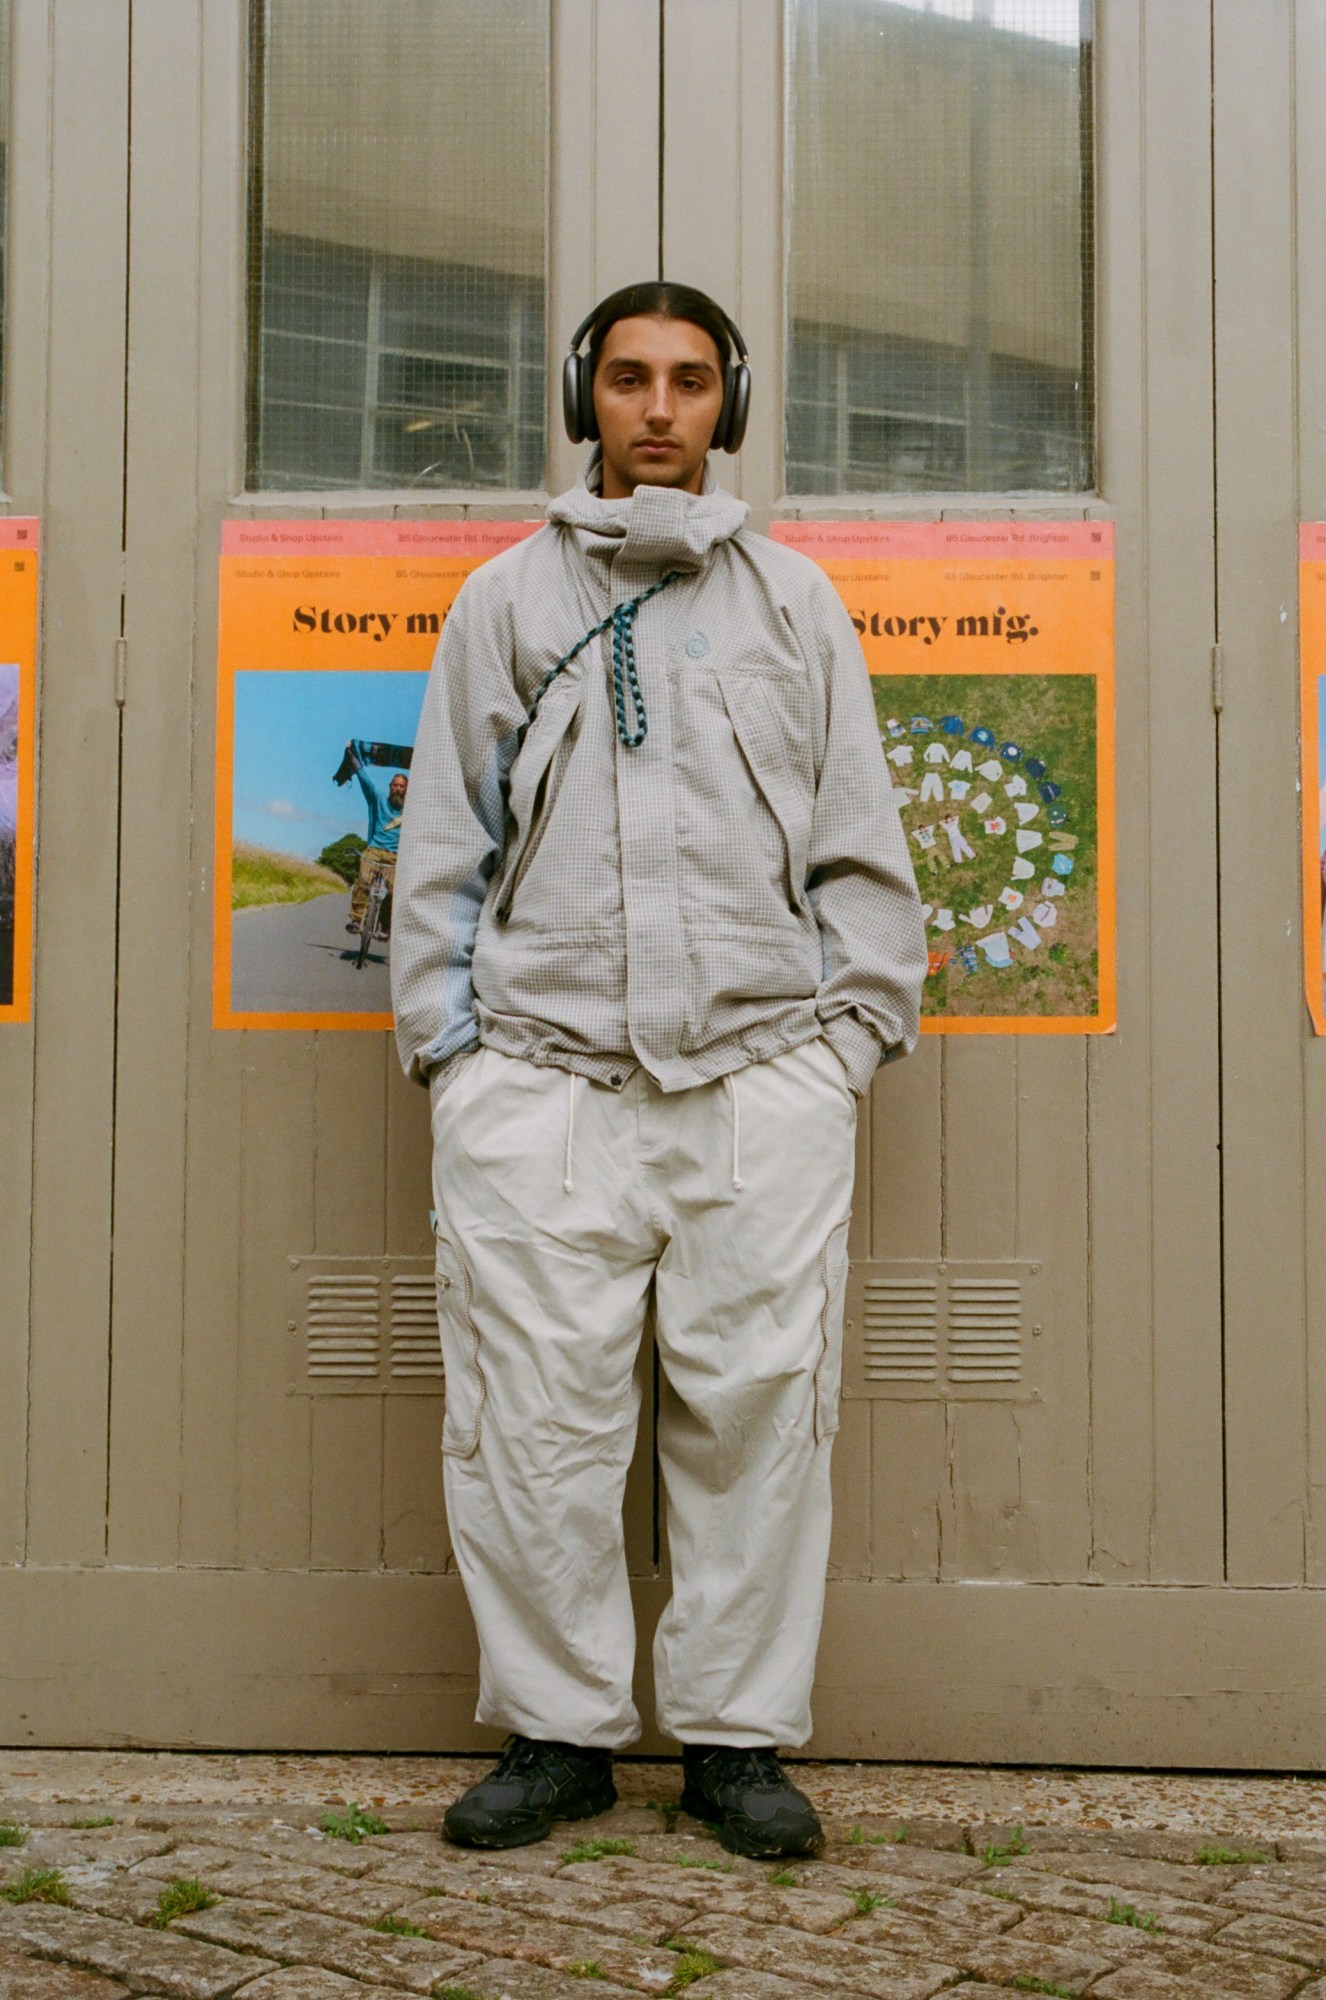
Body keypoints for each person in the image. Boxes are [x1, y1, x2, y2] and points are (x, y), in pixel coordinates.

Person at [392, 281, 926, 1858]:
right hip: (540, 1088)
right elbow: (441, 851)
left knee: (758, 1419)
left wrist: (838, 1053)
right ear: (584, 396)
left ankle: (733, 1741)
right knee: (534, 1423)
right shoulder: (501, 603)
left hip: (759, 1084)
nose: (657, 408)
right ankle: (554, 1733)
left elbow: (860, 854)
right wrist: (460, 1060)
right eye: (626, 378)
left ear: (728, 406)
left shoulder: (795, 607)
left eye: (690, 381)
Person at [342, 740, 408, 939]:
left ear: (407, 790)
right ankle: (356, 919)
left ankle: (385, 926)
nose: (398, 789)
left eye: (402, 787)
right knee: (363, 882)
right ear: (390, 787)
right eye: (395, 785)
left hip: (396, 857)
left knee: (394, 893)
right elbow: (363, 777)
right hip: (374, 850)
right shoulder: (378, 798)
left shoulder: (413, 809)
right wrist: (351, 753)